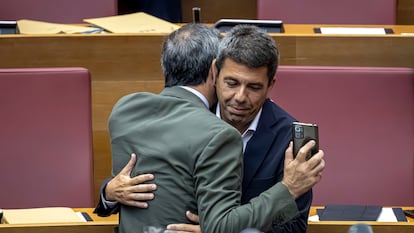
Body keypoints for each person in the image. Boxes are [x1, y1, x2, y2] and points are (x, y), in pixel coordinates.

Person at [95, 24, 325, 233]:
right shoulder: (186, 116)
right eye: (231, 83)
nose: (240, 97)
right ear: (215, 73)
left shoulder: (288, 138)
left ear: (270, 85)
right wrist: (109, 193)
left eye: (254, 87)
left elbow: (294, 227)